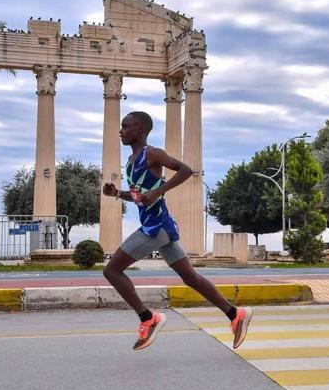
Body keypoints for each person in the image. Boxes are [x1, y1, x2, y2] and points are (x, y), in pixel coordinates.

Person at [102, 111, 252, 351]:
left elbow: (185, 170)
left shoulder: (151, 153)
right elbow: (141, 196)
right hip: (160, 226)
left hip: (155, 227)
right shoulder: (131, 163)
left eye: (125, 126)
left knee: (112, 270)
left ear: (140, 129)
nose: (121, 131)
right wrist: (117, 194)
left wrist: (160, 191)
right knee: (191, 278)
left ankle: (147, 318)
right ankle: (236, 314)